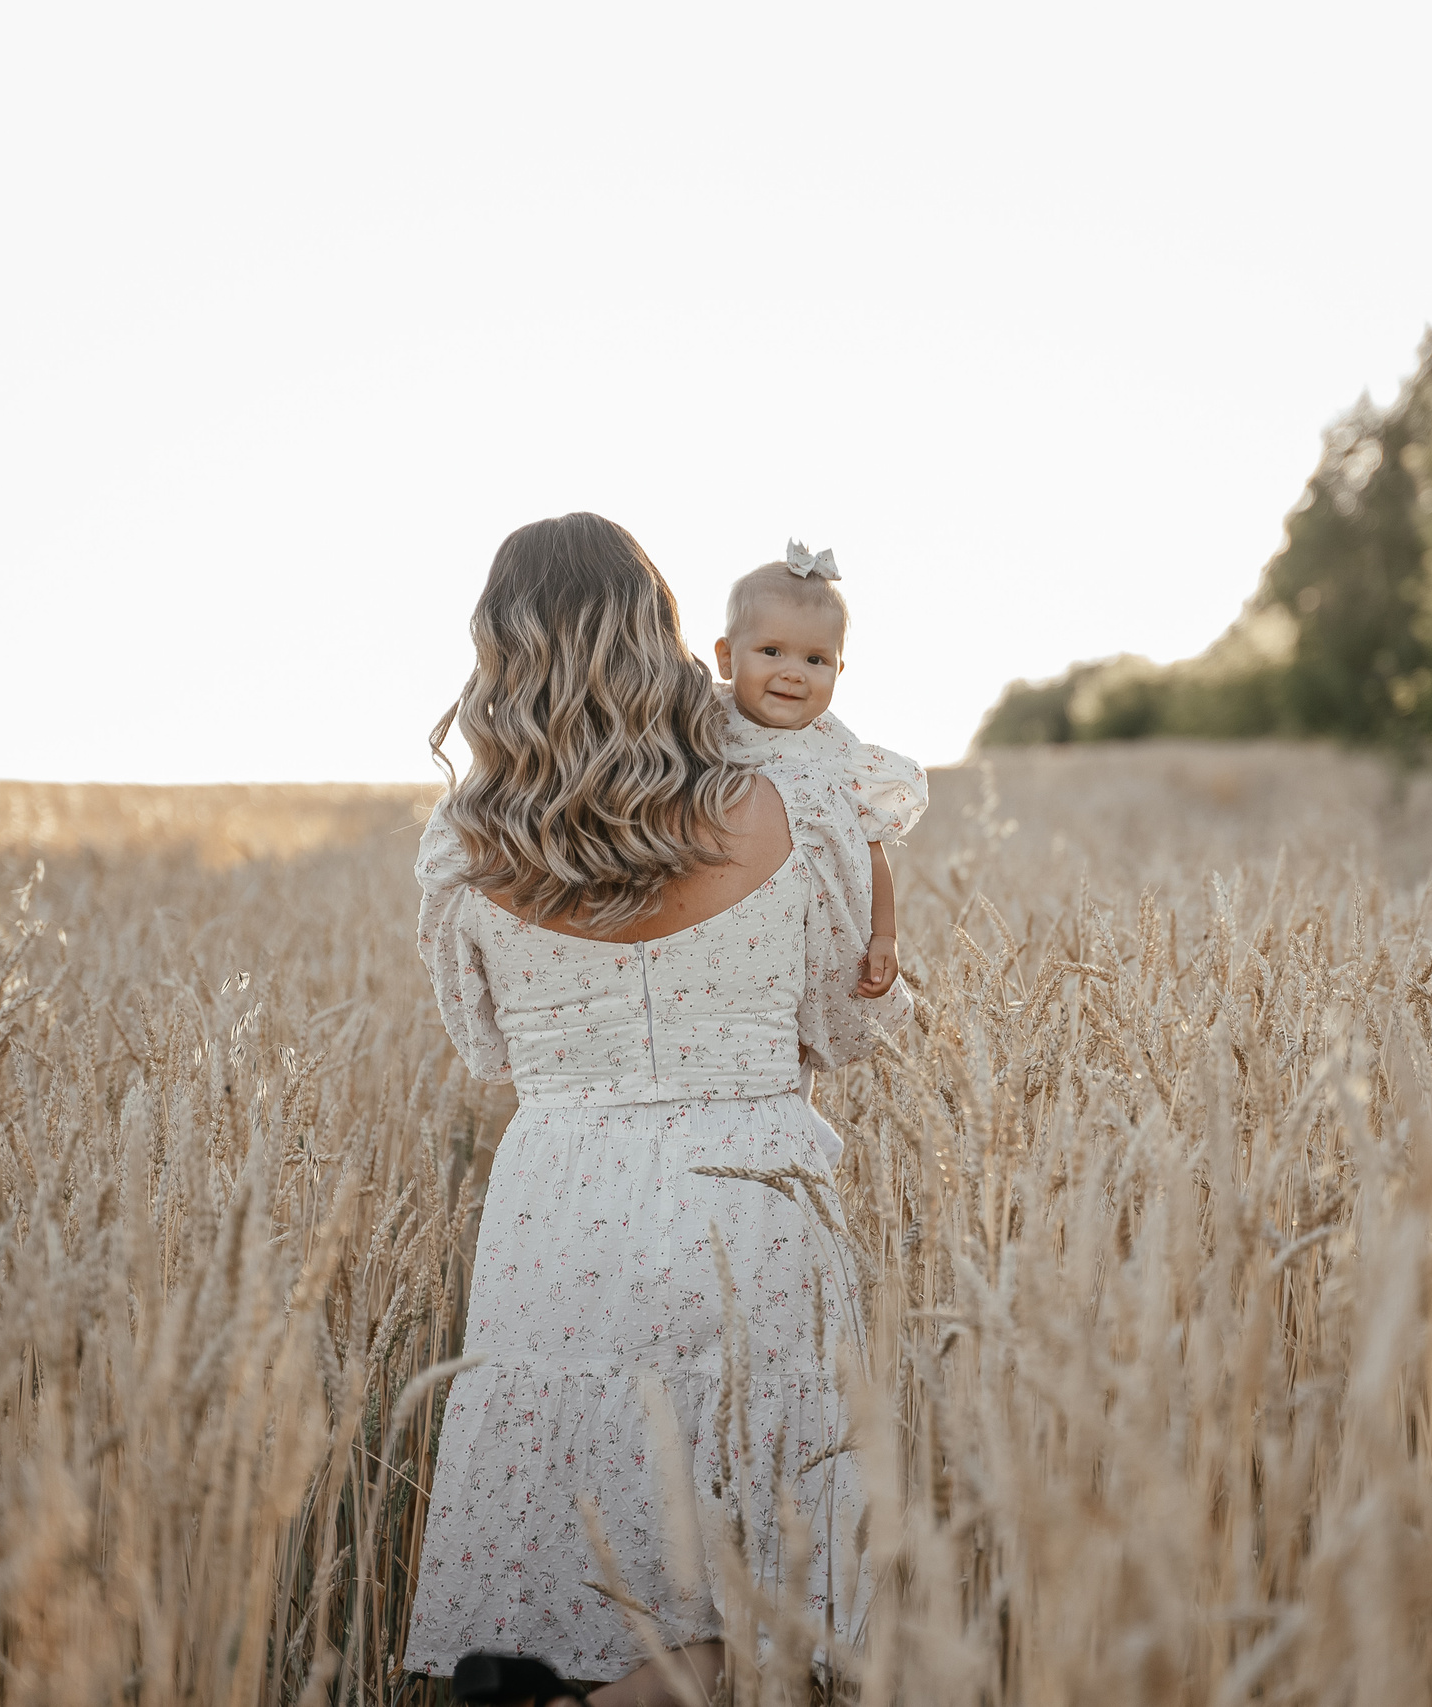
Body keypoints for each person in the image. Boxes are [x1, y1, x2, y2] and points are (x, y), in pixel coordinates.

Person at [404, 513, 910, 1707]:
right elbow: (846, 1030)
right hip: (749, 1190)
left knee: (571, 1511)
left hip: (556, 1198)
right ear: (668, 638)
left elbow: (485, 1046)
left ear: (500, 652)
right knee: (757, 1547)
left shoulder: (465, 843)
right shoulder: (786, 804)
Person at [709, 540, 928, 1164]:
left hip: (816, 940)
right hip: (728, 929)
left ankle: (795, 1154)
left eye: (816, 659)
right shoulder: (703, 726)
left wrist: (884, 935)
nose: (793, 672)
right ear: (726, 657)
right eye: (771, 652)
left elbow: (871, 850)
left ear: (839, 670)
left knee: (790, 1056)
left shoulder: (837, 752)